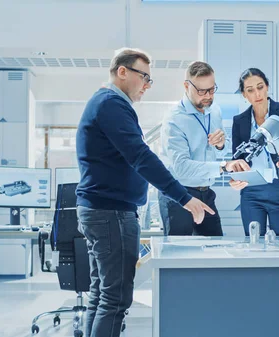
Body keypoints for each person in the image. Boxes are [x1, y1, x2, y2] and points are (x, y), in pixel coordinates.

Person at [76, 48, 215, 337]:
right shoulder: (111, 104)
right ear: (123, 72)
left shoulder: (105, 103)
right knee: (115, 299)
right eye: (145, 77)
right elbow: (141, 156)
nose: (148, 85)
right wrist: (185, 198)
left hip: (101, 210)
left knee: (102, 295)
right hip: (110, 213)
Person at [159, 61, 250, 236]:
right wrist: (223, 166)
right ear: (186, 86)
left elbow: (220, 151)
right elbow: (182, 167)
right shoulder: (174, 119)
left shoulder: (214, 110)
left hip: (206, 192)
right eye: (202, 91)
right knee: (178, 256)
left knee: (215, 250)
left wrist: (221, 144)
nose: (208, 96)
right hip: (178, 194)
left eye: (212, 89)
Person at [229, 68, 279, 239]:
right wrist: (235, 177)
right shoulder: (239, 121)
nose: (257, 94)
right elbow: (237, 160)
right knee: (253, 243)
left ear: (267, 87)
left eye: (260, 87)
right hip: (251, 192)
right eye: (250, 90)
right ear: (244, 94)